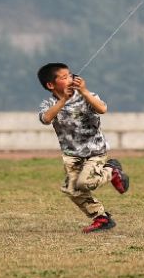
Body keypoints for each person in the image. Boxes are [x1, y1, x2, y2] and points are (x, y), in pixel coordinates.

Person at [37, 63, 129, 233]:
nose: (70, 79)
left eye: (70, 75)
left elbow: (102, 109)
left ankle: (111, 169)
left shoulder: (86, 96)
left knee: (84, 182)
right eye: (64, 77)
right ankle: (101, 218)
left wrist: (85, 92)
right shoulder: (49, 103)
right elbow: (46, 119)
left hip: (94, 151)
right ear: (51, 85)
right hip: (71, 155)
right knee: (72, 190)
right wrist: (63, 100)